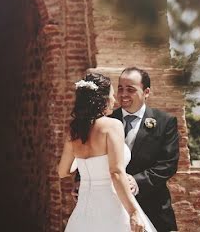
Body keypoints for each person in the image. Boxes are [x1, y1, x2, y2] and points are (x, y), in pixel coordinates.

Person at [58, 72, 156, 232]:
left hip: (83, 212)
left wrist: (84, 162)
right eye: (111, 95)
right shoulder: (112, 126)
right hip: (113, 208)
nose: (114, 100)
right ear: (101, 99)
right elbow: (116, 172)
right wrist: (133, 212)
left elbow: (63, 171)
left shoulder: (74, 132)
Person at [110, 67, 179, 232]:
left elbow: (168, 163)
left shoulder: (165, 122)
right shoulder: (107, 120)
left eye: (130, 89)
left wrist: (136, 181)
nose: (123, 94)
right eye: (120, 88)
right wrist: (80, 180)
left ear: (146, 92)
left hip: (154, 206)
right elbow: (92, 154)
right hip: (114, 206)